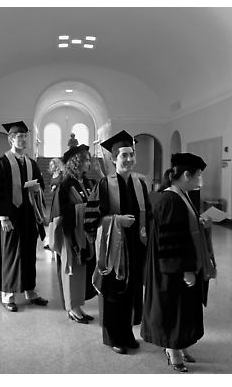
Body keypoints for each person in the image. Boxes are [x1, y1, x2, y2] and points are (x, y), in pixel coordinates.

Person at [141, 153, 214, 372]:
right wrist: (185, 270)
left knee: (183, 309)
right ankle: (172, 349)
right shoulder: (170, 199)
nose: (200, 179)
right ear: (185, 175)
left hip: (180, 263)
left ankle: (179, 345)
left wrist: (198, 222)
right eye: (198, 175)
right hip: (172, 268)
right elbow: (171, 239)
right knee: (174, 308)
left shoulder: (181, 194)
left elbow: (183, 228)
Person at [84, 130, 151, 354]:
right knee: (113, 291)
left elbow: (148, 214)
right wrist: (116, 220)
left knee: (131, 292)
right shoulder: (104, 185)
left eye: (131, 154)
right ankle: (113, 337)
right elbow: (91, 220)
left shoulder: (141, 184)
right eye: (124, 155)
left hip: (135, 246)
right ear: (113, 159)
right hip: (113, 248)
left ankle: (127, 333)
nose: (129, 159)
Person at [0, 121, 49, 312]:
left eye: (25, 136)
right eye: (19, 136)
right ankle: (8, 295)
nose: (23, 140)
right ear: (10, 139)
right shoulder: (2, 162)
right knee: (11, 255)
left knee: (29, 254)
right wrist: (3, 217)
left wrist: (38, 189)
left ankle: (30, 292)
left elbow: (41, 186)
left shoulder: (31, 163)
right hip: (10, 217)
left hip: (28, 215)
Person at [49, 145, 97, 324]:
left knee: (80, 271)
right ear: (76, 162)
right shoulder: (65, 184)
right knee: (70, 271)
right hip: (69, 235)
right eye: (85, 159)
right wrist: (83, 210)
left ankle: (78, 306)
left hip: (83, 234)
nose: (89, 162)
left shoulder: (84, 182)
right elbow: (58, 215)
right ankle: (71, 308)